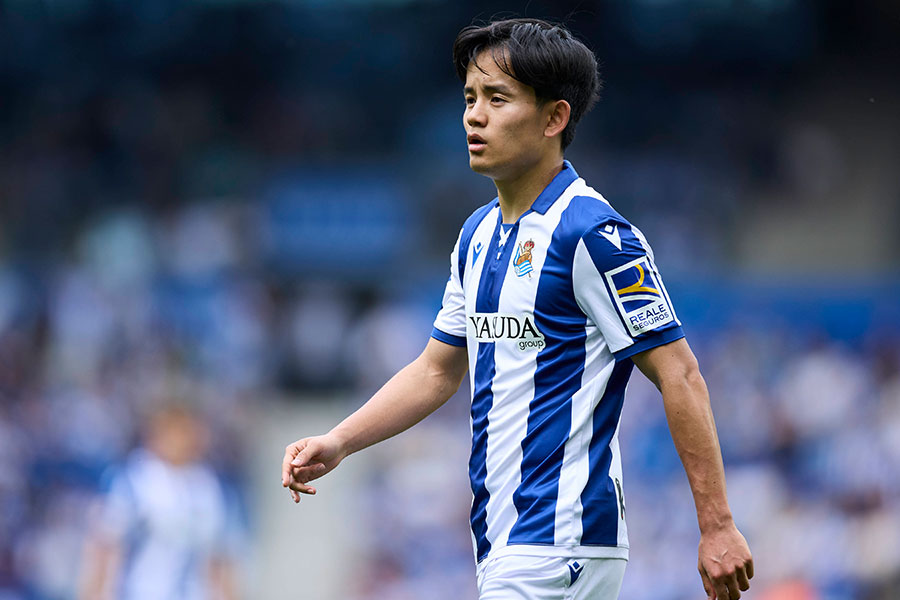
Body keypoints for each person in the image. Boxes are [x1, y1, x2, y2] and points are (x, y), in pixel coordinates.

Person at [283, 17, 753, 600]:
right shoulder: (476, 236)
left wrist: (717, 524)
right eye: (470, 99)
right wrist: (339, 441)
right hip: (504, 542)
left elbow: (679, 373)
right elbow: (435, 372)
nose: (474, 117)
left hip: (559, 539)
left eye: (497, 99)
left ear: (554, 118)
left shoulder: (594, 234)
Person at [79, 404, 239, 600]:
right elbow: (104, 546)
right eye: (175, 432)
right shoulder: (134, 480)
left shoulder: (209, 487)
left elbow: (220, 559)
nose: (181, 440)